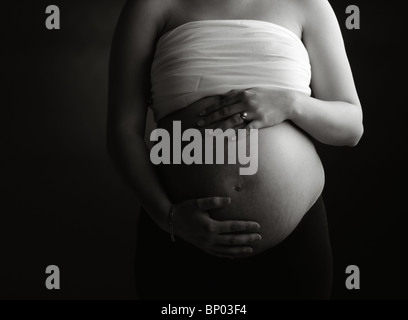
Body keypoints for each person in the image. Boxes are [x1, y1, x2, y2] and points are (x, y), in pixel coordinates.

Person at [107, 0, 363, 300]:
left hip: (294, 242)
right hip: (182, 233)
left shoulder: (308, 4)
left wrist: (291, 104)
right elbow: (123, 131)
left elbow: (351, 126)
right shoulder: (150, 5)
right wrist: (168, 218)